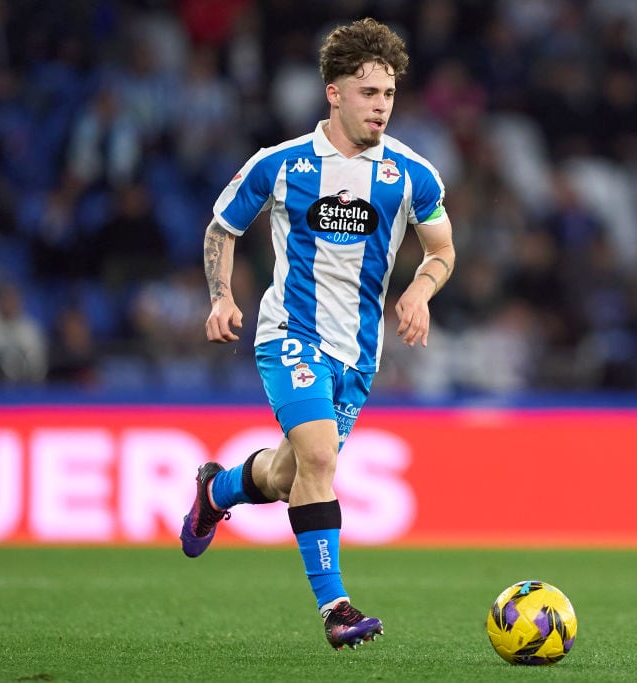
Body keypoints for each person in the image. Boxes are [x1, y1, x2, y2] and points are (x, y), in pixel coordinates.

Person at [179, 18, 455, 651]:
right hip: (290, 335)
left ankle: (216, 490)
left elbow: (441, 248)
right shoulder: (281, 164)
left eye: (388, 94)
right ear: (334, 92)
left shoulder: (413, 175)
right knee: (321, 459)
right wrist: (221, 297)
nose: (381, 106)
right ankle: (336, 609)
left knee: (287, 475)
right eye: (368, 93)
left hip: (358, 355)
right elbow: (224, 228)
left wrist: (420, 288)